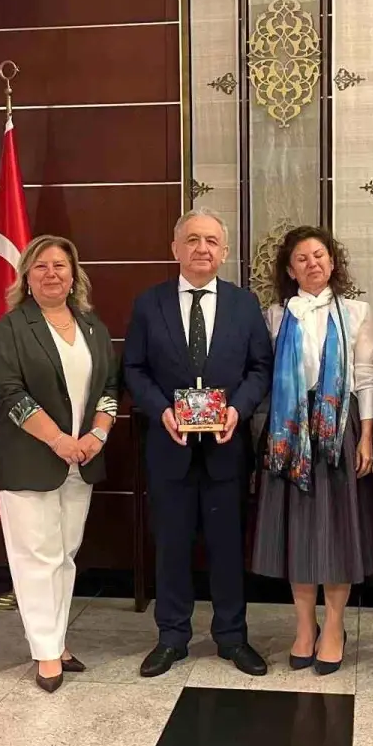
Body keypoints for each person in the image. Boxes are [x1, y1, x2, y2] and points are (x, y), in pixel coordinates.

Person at [124, 208, 273, 678]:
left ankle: (232, 637)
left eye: (211, 240)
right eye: (192, 240)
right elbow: (133, 369)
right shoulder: (149, 304)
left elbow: (260, 368)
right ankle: (172, 637)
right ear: (175, 248)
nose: (201, 248)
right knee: (171, 545)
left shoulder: (244, 304)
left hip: (227, 448)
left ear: (224, 251)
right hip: (169, 446)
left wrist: (237, 410)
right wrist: (162, 410)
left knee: (228, 546)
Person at [0, 235, 120, 694]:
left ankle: (57, 641)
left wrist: (97, 435)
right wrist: (60, 440)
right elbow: (9, 394)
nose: (51, 274)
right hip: (29, 460)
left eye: (60, 265)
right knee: (35, 557)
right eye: (40, 266)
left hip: (82, 459)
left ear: (74, 274)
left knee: (64, 555)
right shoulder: (10, 328)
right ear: (26, 275)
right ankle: (45, 650)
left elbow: (110, 386)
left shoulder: (92, 327)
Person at [252, 225, 373, 675]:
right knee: (298, 533)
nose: (313, 264)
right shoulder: (274, 316)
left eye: (320, 255)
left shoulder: (357, 312)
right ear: (290, 270)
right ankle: (305, 626)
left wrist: (366, 436)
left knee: (337, 532)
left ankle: (335, 627)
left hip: (339, 426)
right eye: (302, 258)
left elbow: (365, 378)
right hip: (288, 430)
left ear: (333, 261)